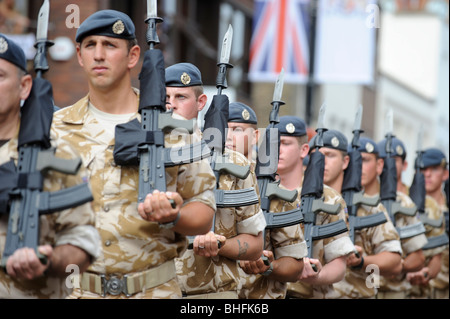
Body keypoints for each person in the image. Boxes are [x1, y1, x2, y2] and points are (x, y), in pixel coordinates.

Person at [51, 10, 217, 299]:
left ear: (133, 56)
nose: (99, 55)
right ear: (79, 55)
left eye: (110, 45)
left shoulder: (175, 129)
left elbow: (203, 213)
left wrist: (174, 215)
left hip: (153, 290)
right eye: (90, 46)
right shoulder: (54, 130)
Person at [0, 34, 99, 298]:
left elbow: (82, 244)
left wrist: (47, 259)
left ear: (24, 86)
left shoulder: (57, 155)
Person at [165, 62, 266, 299]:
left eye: (181, 96)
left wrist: (221, 245)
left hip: (209, 294)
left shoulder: (235, 164)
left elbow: (255, 244)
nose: (171, 104)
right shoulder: (140, 154)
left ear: (201, 103)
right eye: (165, 96)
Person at [230, 112, 306, 299]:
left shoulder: (273, 191)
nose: (228, 136)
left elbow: (295, 265)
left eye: (237, 130)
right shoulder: (197, 179)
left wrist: (269, 266)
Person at [285, 128, 355, 299]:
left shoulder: (334, 201)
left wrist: (317, 275)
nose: (322, 161)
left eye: (330, 155)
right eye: (317, 155)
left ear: (345, 162)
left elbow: (339, 265)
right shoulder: (292, 194)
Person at [333, 136, 403, 299]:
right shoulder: (325, 200)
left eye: (365, 160)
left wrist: (362, 261)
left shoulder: (374, 208)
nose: (359, 168)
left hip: (367, 291)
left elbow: (395, 261)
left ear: (379, 165)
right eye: (357, 161)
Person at [375, 137, 427, 299]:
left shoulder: (405, 202)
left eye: (394, 160)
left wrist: (397, 266)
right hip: (367, 285)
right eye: (383, 160)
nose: (388, 165)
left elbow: (419, 255)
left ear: (404, 165)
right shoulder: (363, 199)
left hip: (397, 290)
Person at [407, 148, 448, 299]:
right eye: (423, 169)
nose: (428, 174)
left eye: (434, 169)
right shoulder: (406, 208)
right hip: (413, 291)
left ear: (445, 174)